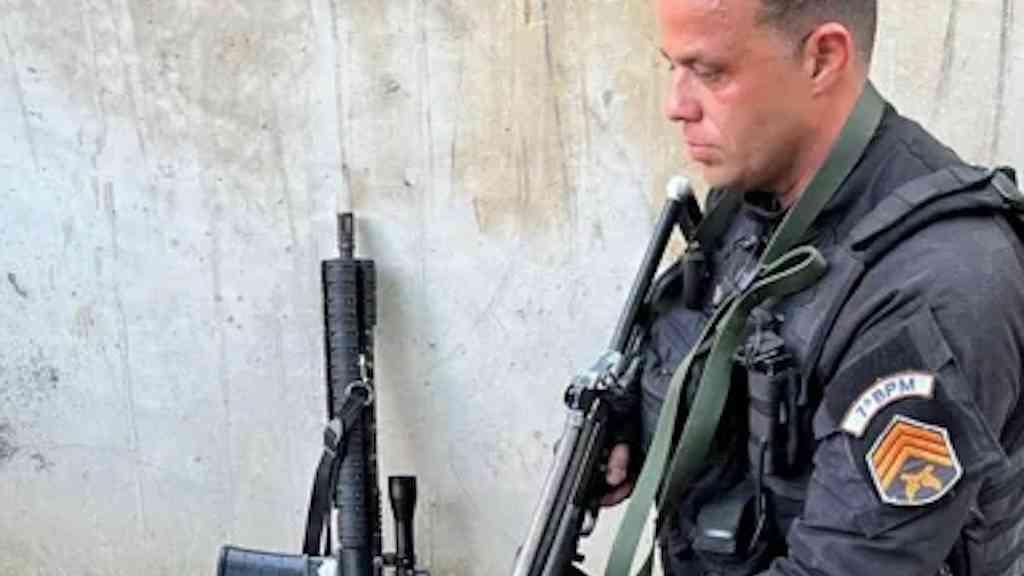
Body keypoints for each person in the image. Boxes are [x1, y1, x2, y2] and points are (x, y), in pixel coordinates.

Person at [600, 1, 1024, 575]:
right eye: (671, 67)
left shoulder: (942, 283)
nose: (675, 105)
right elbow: (711, 356)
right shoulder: (752, 197)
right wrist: (630, 422)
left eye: (710, 72)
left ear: (822, 58)